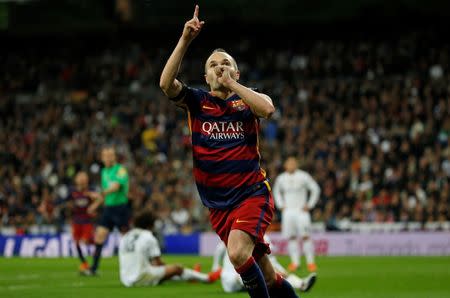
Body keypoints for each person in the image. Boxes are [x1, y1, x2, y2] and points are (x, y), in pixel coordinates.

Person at [160, 5, 298, 297]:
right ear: (206, 76)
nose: (219, 67)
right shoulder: (197, 102)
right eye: (212, 64)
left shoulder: (246, 100)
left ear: (236, 71)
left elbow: (268, 109)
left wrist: (233, 84)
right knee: (269, 277)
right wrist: (185, 40)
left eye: (225, 63)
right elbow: (165, 85)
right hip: (218, 205)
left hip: (251, 194)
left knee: (237, 254)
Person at [118, 209, 221, 287]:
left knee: (163, 272)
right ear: (150, 224)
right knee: (177, 268)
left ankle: (192, 276)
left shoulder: (126, 236)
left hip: (126, 279)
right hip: (140, 277)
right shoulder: (148, 236)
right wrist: (170, 269)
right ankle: (206, 278)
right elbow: (158, 264)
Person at [212, 237, 317, 294]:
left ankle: (301, 284)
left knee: (274, 274)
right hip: (231, 279)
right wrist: (215, 266)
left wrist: (280, 271)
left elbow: (271, 261)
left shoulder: (263, 237)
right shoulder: (236, 235)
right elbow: (219, 249)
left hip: (251, 277)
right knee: (252, 274)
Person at [85, 146, 131, 275]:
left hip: (121, 208)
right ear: (102, 157)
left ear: (114, 157)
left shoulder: (120, 170)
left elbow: (115, 187)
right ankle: (93, 268)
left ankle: (135, 264)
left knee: (127, 239)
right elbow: (105, 194)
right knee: (99, 236)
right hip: (108, 209)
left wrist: (99, 193)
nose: (108, 158)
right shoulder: (104, 171)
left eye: (111, 155)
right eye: (106, 155)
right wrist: (94, 205)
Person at [273, 156, 321, 272]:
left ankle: (311, 263)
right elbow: (276, 192)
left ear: (297, 164)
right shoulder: (281, 178)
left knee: (305, 236)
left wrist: (309, 205)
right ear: (285, 165)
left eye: (293, 163)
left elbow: (315, 189)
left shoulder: (303, 176)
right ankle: (295, 262)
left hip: (301, 211)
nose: (291, 165)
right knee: (291, 237)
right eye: (289, 163)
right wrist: (281, 205)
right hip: (288, 212)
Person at [67, 171, 101, 273]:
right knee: (77, 242)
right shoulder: (72, 192)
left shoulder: (91, 190)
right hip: (76, 221)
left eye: (84, 177)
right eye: (80, 177)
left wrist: (92, 201)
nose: (82, 179)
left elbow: (99, 198)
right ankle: (84, 263)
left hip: (87, 221)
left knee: (86, 241)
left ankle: (97, 246)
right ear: (76, 180)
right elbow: (68, 204)